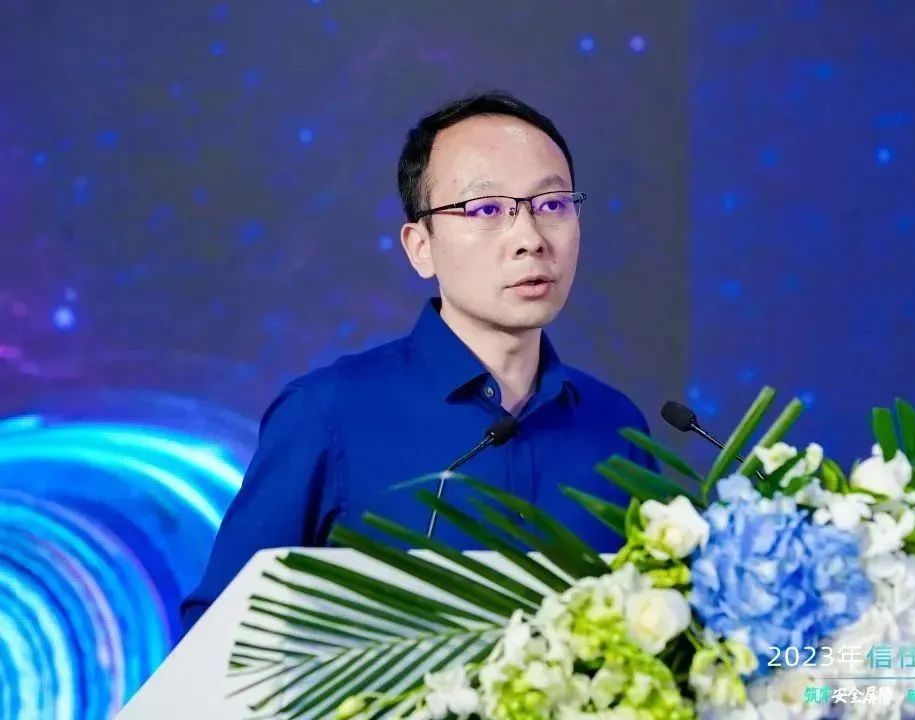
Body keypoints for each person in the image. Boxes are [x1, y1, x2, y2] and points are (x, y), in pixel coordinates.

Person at [179, 91, 656, 633]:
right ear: (420, 247)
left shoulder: (616, 427)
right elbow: (219, 635)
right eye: (487, 209)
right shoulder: (328, 415)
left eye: (552, 205)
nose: (530, 238)